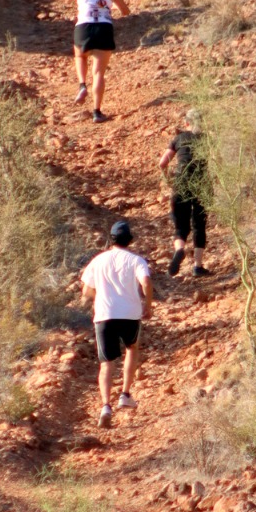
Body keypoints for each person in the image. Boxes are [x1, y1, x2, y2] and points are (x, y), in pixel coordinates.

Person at [80, 219, 153, 428]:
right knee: (132, 348)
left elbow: (86, 291)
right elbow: (146, 282)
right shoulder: (136, 260)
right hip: (130, 314)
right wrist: (148, 305)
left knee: (106, 363)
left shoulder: (98, 260)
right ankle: (125, 394)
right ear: (129, 240)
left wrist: (99, 295)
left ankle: (105, 406)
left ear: (111, 239)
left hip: (104, 315)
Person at [64, 0, 129, 122]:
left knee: (80, 56)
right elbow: (125, 11)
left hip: (83, 27)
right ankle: (96, 112)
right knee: (99, 72)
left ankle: (82, 85)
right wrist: (110, 6)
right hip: (103, 28)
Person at [159, 110, 210, 276]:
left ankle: (179, 249)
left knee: (181, 225)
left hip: (181, 182)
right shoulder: (207, 140)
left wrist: (168, 179)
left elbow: (162, 163)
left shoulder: (178, 139)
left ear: (186, 123)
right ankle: (198, 266)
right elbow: (218, 161)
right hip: (201, 183)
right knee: (199, 224)